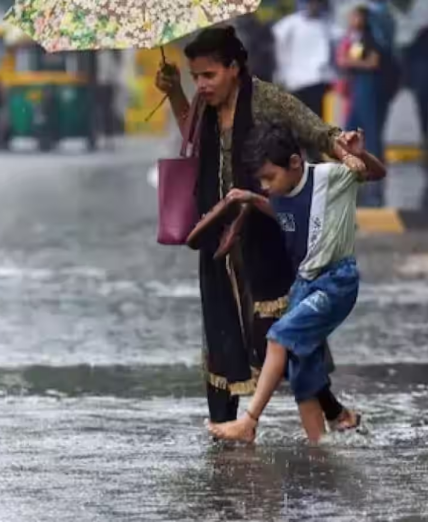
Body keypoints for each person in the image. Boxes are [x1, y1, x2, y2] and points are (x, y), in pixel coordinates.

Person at [155, 27, 363, 432]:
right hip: (217, 233)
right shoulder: (203, 105)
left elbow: (314, 130)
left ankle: (332, 411)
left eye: (209, 75)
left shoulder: (267, 99)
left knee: (280, 331)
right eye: (195, 76)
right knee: (221, 330)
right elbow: (193, 140)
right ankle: (225, 428)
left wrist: (345, 147)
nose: (201, 84)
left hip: (265, 233)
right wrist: (176, 92)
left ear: (234, 68)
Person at [208, 125, 386, 443]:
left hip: (335, 282)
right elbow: (280, 212)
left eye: (268, 177)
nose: (266, 187)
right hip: (304, 285)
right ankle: (319, 448)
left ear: (293, 162)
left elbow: (376, 173)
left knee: (279, 337)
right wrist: (250, 198)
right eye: (261, 182)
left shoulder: (330, 177)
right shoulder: (278, 193)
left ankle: (249, 421)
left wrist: (359, 155)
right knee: (301, 372)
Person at [339, 5, 385, 207]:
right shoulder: (353, 38)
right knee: (351, 127)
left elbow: (373, 63)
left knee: (369, 129)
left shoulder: (370, 38)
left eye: (356, 16)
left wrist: (350, 61)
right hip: (356, 87)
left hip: (367, 87)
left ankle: (373, 166)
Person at [272, 0, 339, 119]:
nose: (314, 6)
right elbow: (277, 39)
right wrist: (281, 71)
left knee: (317, 119)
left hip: (319, 79)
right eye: (311, 3)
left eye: (317, 3)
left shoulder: (326, 24)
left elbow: (340, 39)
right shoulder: (292, 22)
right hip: (296, 81)